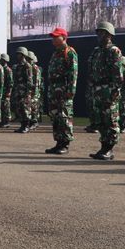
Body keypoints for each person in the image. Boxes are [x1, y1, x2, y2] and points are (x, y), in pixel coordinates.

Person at [87, 21, 124, 161]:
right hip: (97, 90)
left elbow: (118, 76)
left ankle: (109, 148)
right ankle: (103, 146)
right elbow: (91, 70)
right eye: (98, 32)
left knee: (110, 120)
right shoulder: (96, 51)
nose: (99, 35)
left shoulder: (114, 51)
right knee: (100, 120)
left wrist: (114, 92)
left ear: (109, 35)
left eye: (102, 32)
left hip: (108, 90)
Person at [45, 27, 78, 155]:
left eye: (56, 36)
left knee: (64, 117)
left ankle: (65, 143)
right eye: (52, 37)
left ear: (63, 38)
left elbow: (73, 73)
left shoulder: (69, 53)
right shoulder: (56, 53)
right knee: (55, 117)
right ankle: (58, 142)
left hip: (64, 89)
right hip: (54, 90)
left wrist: (70, 91)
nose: (53, 39)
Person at [0, 53, 13, 129]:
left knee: (6, 106)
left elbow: (10, 83)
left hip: (6, 91)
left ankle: (7, 121)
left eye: (2, 59)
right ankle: (2, 120)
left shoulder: (8, 70)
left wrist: (9, 92)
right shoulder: (1, 69)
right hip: (2, 90)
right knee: (2, 106)